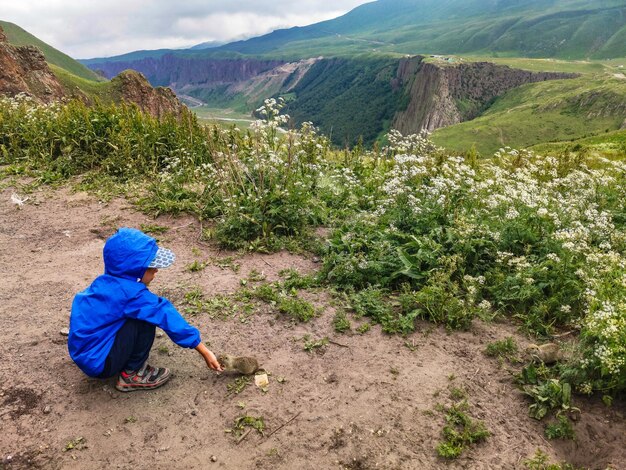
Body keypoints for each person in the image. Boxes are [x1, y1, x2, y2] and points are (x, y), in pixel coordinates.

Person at [68, 227, 222, 392]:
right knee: (146, 319)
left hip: (84, 353)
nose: (156, 270)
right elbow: (164, 314)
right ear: (135, 270)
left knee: (136, 315)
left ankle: (117, 357)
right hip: (101, 364)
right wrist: (203, 350)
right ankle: (132, 374)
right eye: (150, 267)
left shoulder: (104, 282)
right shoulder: (132, 295)